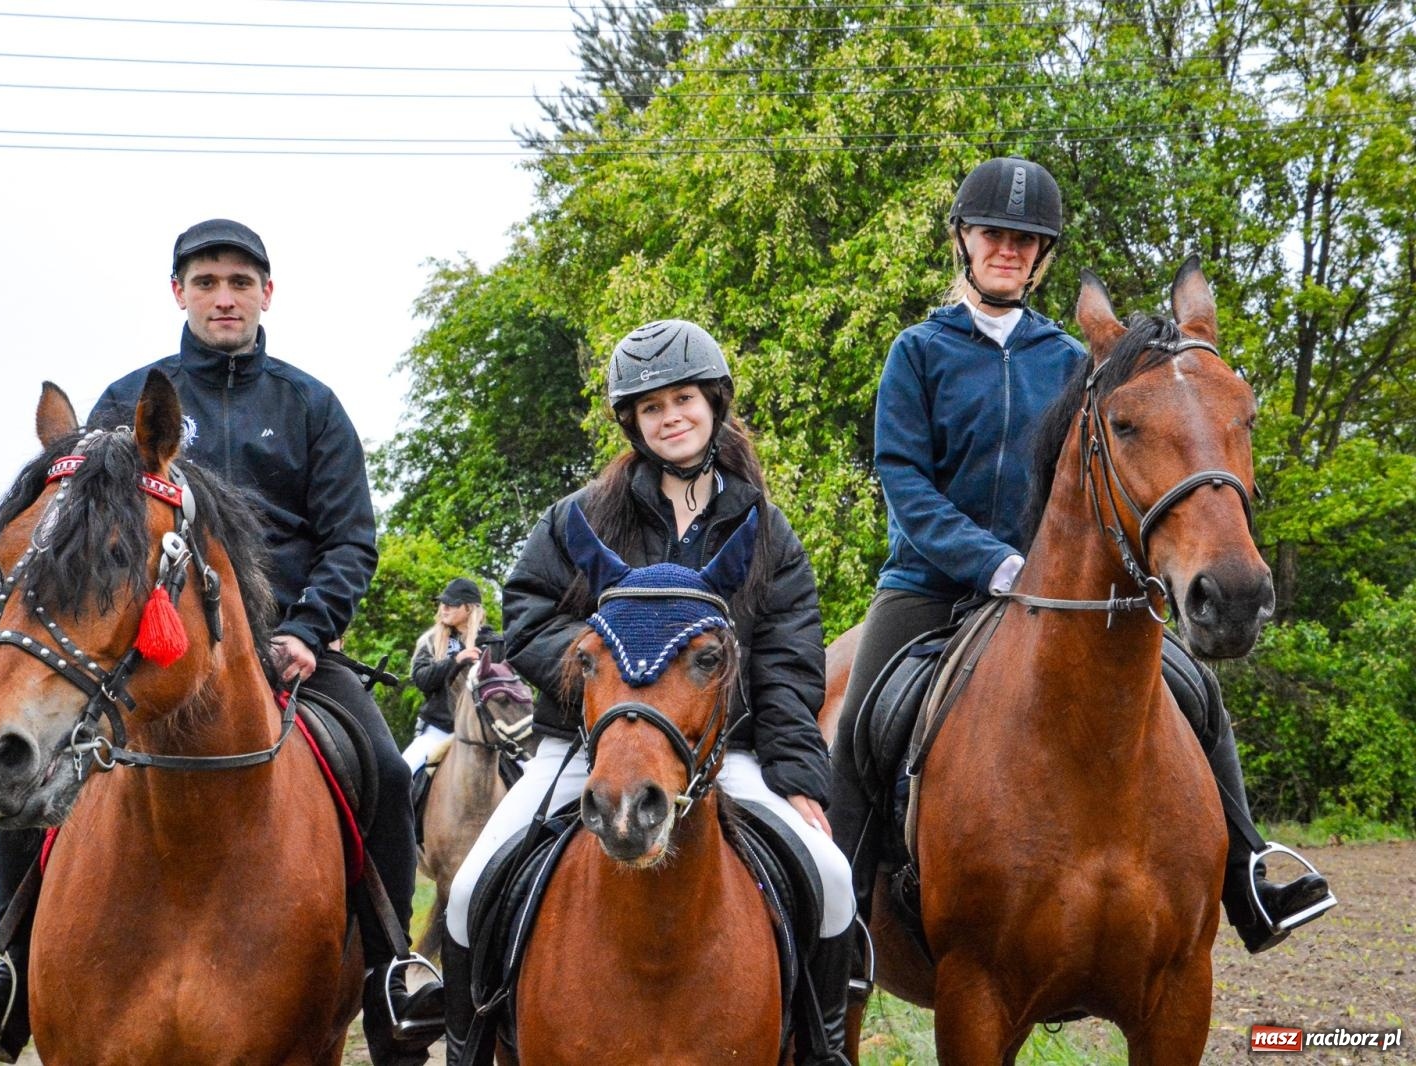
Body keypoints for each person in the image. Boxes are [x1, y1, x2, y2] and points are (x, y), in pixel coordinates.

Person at [0, 219, 439, 1065]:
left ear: (267, 294)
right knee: (34, 775)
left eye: (240, 282)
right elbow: (76, 538)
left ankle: (393, 978)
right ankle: (9, 968)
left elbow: (351, 540)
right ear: (179, 293)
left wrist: (307, 630)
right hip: (147, 650)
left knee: (382, 765)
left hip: (285, 650)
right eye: (206, 282)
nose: (224, 297)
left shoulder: (311, 406)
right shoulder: (125, 404)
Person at [826, 157, 1334, 965]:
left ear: (1043, 256)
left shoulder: (1072, 360)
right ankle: (843, 925)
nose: (1009, 250)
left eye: (1026, 241)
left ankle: (1250, 879)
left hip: (1063, 591)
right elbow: (905, 483)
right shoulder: (916, 352)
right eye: (994, 234)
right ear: (963, 240)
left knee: (1199, 693)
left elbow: (1112, 475)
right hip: (930, 583)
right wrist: (995, 565)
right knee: (861, 723)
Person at [439, 320, 855, 1065]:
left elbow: (789, 662)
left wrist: (798, 776)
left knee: (832, 876)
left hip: (724, 752)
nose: (671, 416)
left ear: (714, 402)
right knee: (471, 889)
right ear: (632, 422)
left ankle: (822, 1048)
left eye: (684, 399)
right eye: (651, 406)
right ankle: (468, 1050)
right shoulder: (578, 517)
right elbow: (529, 614)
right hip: (588, 744)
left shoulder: (766, 530)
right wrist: (612, 676)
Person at [404, 577, 501, 772]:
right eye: (443, 603)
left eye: (452, 604)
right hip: (439, 730)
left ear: (469, 608)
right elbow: (422, 680)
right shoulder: (431, 640)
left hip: (486, 733)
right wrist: (455, 661)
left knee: (526, 769)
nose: (444, 608)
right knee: (401, 772)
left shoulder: (494, 644)